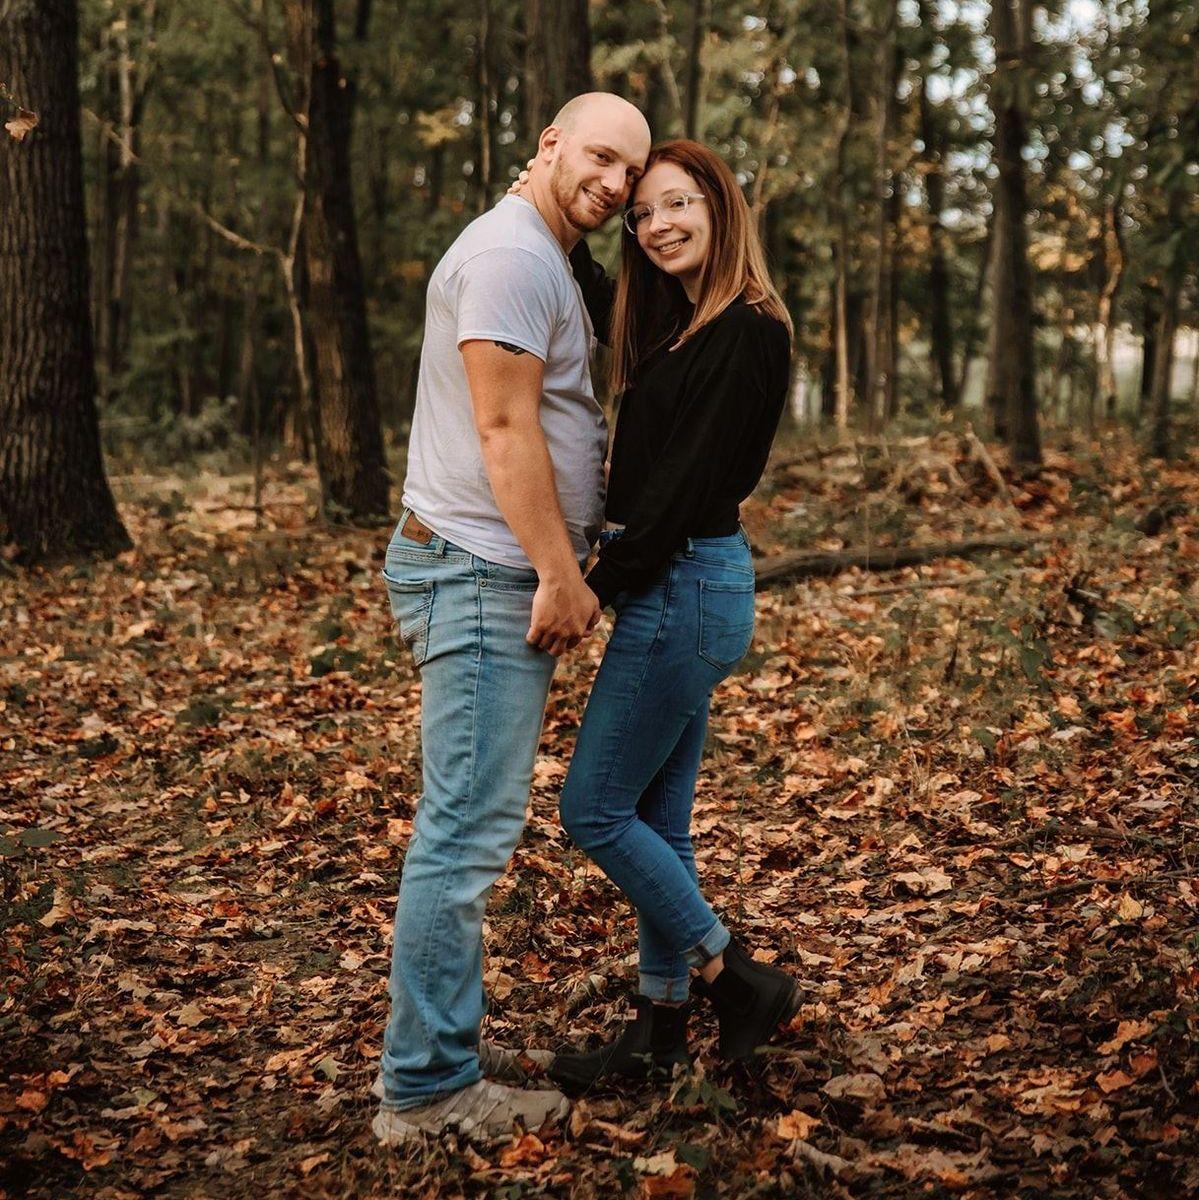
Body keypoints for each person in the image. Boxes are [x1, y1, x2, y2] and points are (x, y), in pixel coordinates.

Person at [372, 93, 651, 1145]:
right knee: (464, 834)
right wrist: (557, 573)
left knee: (466, 827)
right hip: (483, 571)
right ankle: (426, 1090)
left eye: (630, 172)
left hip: (486, 566)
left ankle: (438, 1045)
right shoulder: (508, 257)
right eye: (600, 157)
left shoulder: (540, 256)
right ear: (549, 144)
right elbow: (502, 426)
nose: (615, 184)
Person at [523, 139, 802, 1091]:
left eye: (677, 203)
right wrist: (548, 204)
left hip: (683, 583)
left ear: (721, 205)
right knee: (655, 821)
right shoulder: (680, 323)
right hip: (679, 585)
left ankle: (736, 980)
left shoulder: (746, 332)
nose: (655, 225)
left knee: (593, 809)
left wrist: (592, 586)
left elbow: (680, 490)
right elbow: (601, 288)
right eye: (642, 214)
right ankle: (658, 1032)